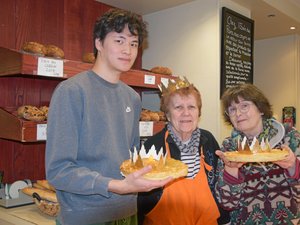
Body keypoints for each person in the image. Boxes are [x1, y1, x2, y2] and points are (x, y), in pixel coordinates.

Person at [45, 9, 172, 225]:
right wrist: (115, 185)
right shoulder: (72, 91)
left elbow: (129, 160)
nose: (128, 50)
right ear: (98, 43)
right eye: (119, 40)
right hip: (85, 215)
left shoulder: (132, 98)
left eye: (133, 43)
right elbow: (59, 170)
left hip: (128, 211)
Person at [138, 77, 230, 225]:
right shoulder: (153, 146)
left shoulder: (208, 140)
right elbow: (142, 200)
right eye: (178, 107)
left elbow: (219, 186)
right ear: (168, 114)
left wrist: (225, 220)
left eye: (191, 107)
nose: (186, 113)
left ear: (198, 113)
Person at [215, 83, 300, 225]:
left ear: (260, 108)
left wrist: (293, 167)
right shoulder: (229, 148)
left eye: (244, 106)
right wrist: (231, 171)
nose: (238, 113)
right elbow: (227, 204)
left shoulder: (289, 137)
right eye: (232, 109)